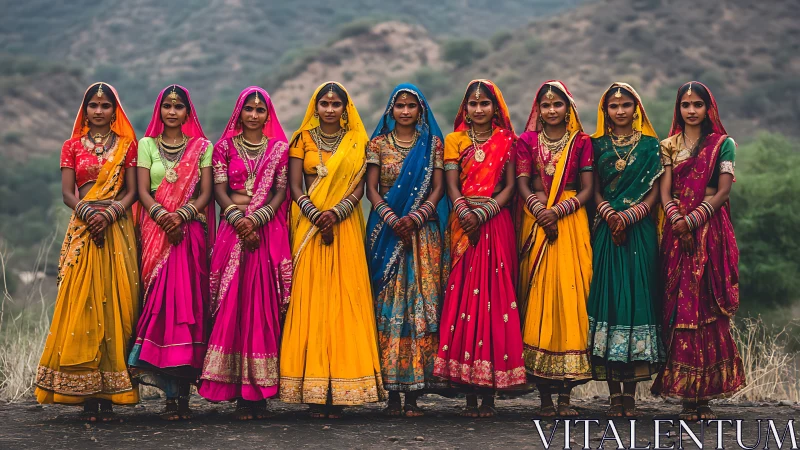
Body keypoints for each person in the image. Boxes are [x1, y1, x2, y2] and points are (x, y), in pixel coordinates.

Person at [35, 82, 140, 422]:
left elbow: (132, 191)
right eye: (93, 105)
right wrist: (89, 213)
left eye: (105, 105)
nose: (98, 110)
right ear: (85, 109)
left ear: (114, 111)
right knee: (80, 303)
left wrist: (108, 214)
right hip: (83, 229)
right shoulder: (71, 146)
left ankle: (110, 394)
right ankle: (85, 395)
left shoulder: (127, 145)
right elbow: (68, 193)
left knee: (115, 305)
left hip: (116, 229)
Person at [280, 82, 385, 419]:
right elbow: (294, 186)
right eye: (323, 103)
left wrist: (336, 213)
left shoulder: (358, 141)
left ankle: (343, 388)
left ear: (344, 108)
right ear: (315, 107)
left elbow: (360, 189)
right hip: (309, 226)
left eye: (335, 104)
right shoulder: (301, 140)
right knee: (310, 300)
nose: (329, 109)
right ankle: (311, 390)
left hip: (345, 225)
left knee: (344, 299)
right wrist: (315, 213)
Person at [651, 81, 744, 420]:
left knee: (707, 307)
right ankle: (686, 396)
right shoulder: (668, 146)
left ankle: (704, 395)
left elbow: (722, 192)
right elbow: (665, 192)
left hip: (711, 230)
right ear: (678, 108)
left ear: (708, 108)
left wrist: (693, 221)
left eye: (697, 104)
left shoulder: (723, 144)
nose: (691, 110)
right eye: (685, 104)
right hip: (676, 231)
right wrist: (678, 221)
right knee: (680, 307)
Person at [434, 79, 526, 418]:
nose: (478, 109)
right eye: (472, 104)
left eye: (484, 103)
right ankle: (468, 392)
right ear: (465, 108)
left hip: (495, 223)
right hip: (462, 226)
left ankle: (489, 394)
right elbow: (451, 185)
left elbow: (510, 187)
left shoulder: (508, 141)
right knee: (463, 300)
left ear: (495, 107)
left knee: (495, 301)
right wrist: (464, 212)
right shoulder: (455, 140)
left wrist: (483, 213)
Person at [198, 87, 291, 420]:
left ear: (268, 115)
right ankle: (235, 390)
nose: (253, 115)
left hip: (267, 232)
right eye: (248, 109)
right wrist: (239, 220)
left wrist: (258, 218)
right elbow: (219, 191)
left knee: (261, 307)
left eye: (259, 110)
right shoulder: (223, 148)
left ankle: (258, 394)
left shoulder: (279, 150)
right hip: (233, 231)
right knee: (232, 306)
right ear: (239, 113)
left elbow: (281, 192)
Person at [128, 85, 215, 421]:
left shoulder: (202, 147)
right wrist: (164, 217)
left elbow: (205, 193)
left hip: (189, 236)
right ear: (159, 110)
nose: (172, 111)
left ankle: (184, 398)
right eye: (167, 106)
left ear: (187, 112)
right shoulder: (147, 145)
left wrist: (182, 215)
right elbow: (142, 190)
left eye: (179, 107)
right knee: (160, 309)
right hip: (156, 233)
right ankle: (169, 397)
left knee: (188, 310)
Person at [365, 84, 450, 417]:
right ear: (391, 109)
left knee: (418, 306)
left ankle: (414, 394)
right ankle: (391, 395)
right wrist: (391, 217)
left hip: (421, 233)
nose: (404, 111)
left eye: (410, 106)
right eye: (399, 105)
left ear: (420, 110)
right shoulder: (378, 145)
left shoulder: (432, 145)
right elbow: (372, 189)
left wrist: (416, 216)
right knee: (387, 306)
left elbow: (438, 188)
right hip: (387, 232)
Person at [515, 80, 593, 417]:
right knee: (537, 299)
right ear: (539, 109)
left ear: (568, 108)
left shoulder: (582, 142)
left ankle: (566, 396)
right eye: (545, 105)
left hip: (570, 222)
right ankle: (545, 397)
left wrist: (557, 211)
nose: (551, 110)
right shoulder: (526, 141)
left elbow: (587, 188)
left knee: (571, 298)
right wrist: (540, 211)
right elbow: (521, 183)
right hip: (536, 221)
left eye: (557, 104)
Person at [587, 82, 665, 417]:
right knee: (609, 301)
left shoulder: (650, 146)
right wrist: (609, 214)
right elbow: (593, 189)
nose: (620, 111)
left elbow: (655, 190)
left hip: (639, 231)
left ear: (637, 109)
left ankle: (630, 394)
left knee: (636, 300)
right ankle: (612, 393)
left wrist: (630, 216)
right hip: (606, 231)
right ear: (605, 111)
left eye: (626, 105)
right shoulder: (595, 145)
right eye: (613, 106)